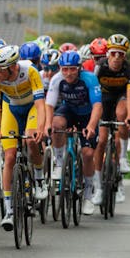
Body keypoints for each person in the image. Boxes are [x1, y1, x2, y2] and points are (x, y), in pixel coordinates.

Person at [0, 44, 49, 230]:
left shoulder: (30, 71)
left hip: (31, 108)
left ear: (12, 66)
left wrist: (40, 128)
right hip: (11, 109)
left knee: (31, 139)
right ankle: (9, 211)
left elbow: (40, 104)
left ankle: (39, 179)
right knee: (9, 157)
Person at [45, 50, 102, 214]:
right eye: (64, 69)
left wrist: (91, 126)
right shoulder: (57, 79)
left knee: (88, 154)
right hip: (69, 111)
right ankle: (59, 162)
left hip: (87, 114)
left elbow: (97, 106)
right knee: (56, 124)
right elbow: (49, 105)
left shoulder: (89, 78)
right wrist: (47, 124)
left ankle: (88, 194)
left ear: (79, 68)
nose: (68, 73)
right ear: (60, 69)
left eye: (72, 69)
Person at [93, 33, 130, 200]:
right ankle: (98, 186)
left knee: (122, 115)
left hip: (121, 97)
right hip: (104, 99)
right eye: (113, 53)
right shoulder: (100, 67)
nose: (117, 57)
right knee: (101, 142)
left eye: (121, 54)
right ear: (108, 54)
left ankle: (123, 159)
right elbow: (93, 93)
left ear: (125, 56)